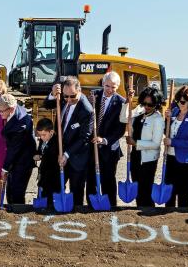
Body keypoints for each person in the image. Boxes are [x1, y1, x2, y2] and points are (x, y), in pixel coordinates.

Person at [44, 77, 94, 207]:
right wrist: (52, 93)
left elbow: (84, 138)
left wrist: (66, 154)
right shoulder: (63, 96)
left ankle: (75, 217)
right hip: (59, 151)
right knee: (55, 186)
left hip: (77, 156)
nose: (69, 100)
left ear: (79, 90)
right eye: (66, 97)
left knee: (76, 190)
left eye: (73, 97)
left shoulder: (87, 110)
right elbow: (47, 104)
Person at [88, 71, 127, 206]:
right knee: (91, 179)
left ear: (118, 86)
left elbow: (120, 130)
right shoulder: (94, 95)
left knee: (108, 180)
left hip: (109, 149)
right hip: (91, 147)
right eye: (107, 86)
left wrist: (104, 140)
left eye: (113, 87)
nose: (110, 90)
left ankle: (110, 207)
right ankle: (91, 206)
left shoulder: (121, 103)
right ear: (103, 84)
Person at [123, 86, 165, 207]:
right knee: (137, 190)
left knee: (145, 191)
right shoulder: (139, 113)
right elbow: (123, 118)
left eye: (150, 104)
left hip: (148, 160)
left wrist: (135, 143)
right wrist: (128, 100)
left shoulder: (157, 119)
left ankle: (148, 212)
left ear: (156, 104)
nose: (147, 106)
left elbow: (156, 143)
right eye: (144, 103)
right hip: (135, 157)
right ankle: (139, 211)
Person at [164, 86, 188, 208]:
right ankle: (167, 220)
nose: (179, 104)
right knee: (169, 192)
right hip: (170, 158)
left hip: (187, 162)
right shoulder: (174, 112)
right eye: (177, 101)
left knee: (184, 195)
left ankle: (184, 223)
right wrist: (167, 120)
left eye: (182, 102)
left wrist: (173, 142)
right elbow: (168, 132)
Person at [0, 94, 36, 204]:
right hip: (16, 159)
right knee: (10, 192)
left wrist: (4, 169)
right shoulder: (14, 109)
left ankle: (17, 217)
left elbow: (13, 150)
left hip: (23, 162)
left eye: (1, 111)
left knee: (17, 194)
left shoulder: (20, 124)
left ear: (11, 108)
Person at [35, 117, 60, 207]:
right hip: (44, 174)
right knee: (42, 194)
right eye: (40, 135)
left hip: (53, 177)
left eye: (44, 135)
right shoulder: (43, 139)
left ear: (51, 132)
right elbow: (40, 150)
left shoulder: (57, 142)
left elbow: (52, 157)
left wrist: (40, 156)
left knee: (50, 199)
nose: (41, 137)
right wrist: (37, 154)